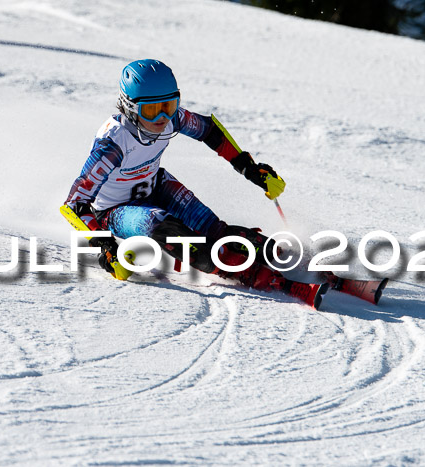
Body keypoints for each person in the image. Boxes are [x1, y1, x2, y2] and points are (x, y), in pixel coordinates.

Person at [63, 59, 327, 308]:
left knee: (215, 230)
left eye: (169, 106)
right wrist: (107, 246)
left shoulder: (172, 119)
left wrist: (249, 168)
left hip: (157, 186)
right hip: (115, 211)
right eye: (152, 111)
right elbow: (74, 204)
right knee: (166, 228)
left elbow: (209, 131)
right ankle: (255, 274)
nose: (163, 119)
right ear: (130, 107)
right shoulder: (113, 143)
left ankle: (284, 256)